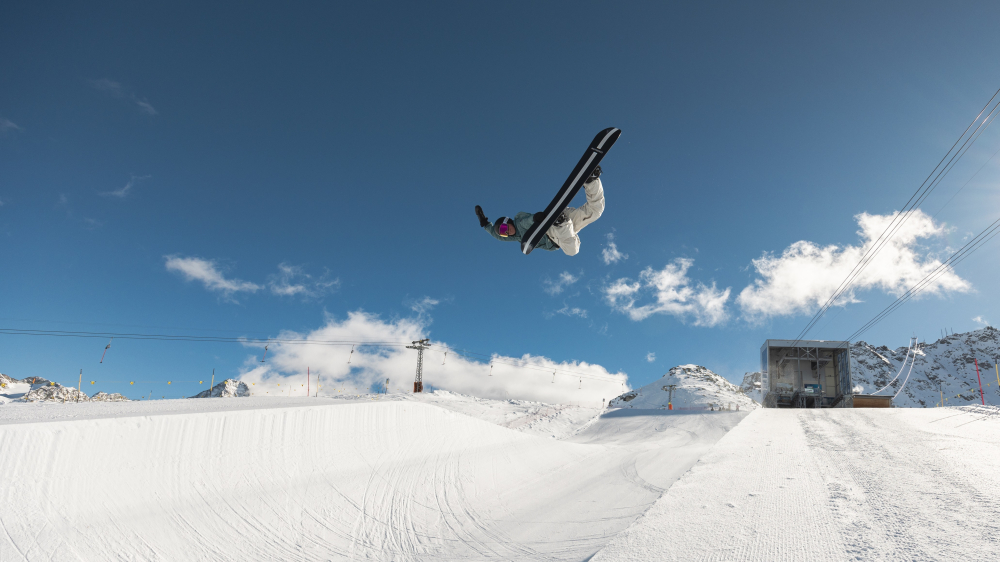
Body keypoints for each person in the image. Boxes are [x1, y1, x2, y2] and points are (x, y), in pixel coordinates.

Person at [475, 166, 605, 256]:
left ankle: (560, 222)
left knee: (573, 250)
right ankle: (591, 180)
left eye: (504, 228)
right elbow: (495, 234)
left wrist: (533, 219)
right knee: (596, 210)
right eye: (504, 233)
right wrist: (484, 223)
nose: (506, 232)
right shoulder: (515, 238)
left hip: (552, 231)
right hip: (562, 231)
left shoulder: (518, 221)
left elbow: (524, 222)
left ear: (508, 221)